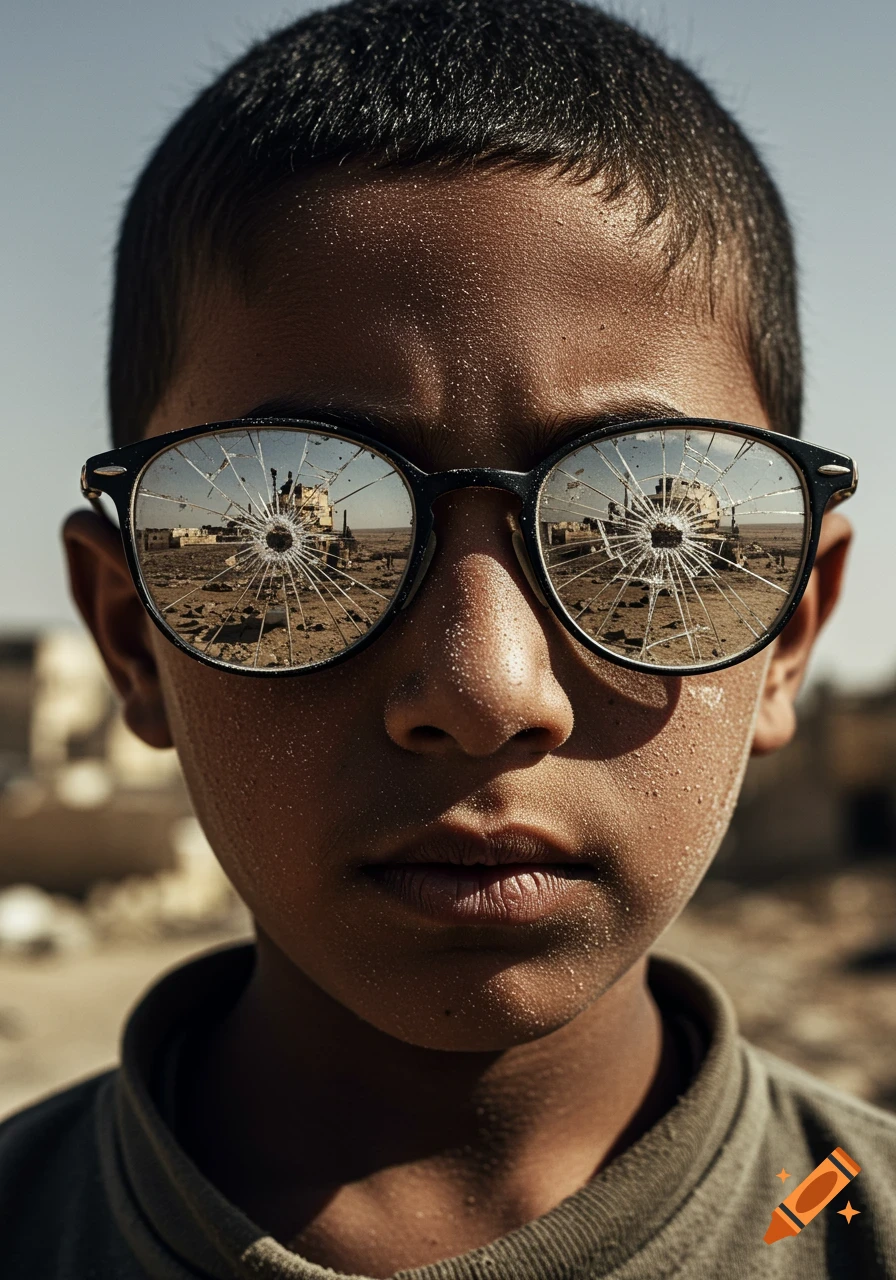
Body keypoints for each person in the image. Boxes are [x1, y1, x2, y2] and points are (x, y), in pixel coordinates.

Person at [2, 1, 894, 1276]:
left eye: (646, 528)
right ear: (131, 634)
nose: (485, 688)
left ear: (789, 631)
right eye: (295, 533)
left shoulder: (843, 1221)